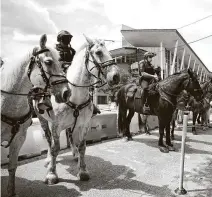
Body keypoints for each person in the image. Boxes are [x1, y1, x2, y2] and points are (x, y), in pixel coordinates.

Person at [56, 30, 100, 116]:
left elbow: (76, 61)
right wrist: (64, 65)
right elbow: (55, 63)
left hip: (71, 71)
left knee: (85, 83)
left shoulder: (72, 51)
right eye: (65, 38)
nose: (68, 40)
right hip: (59, 72)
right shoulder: (55, 50)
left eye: (68, 38)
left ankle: (90, 103)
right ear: (60, 39)